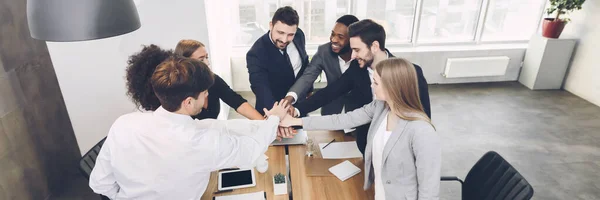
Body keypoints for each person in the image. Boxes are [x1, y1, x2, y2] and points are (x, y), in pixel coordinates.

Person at [89, 47, 291, 199]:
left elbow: (99, 184)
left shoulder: (123, 124)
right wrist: (275, 117)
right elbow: (252, 148)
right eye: (204, 94)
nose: (206, 100)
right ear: (188, 102)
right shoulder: (201, 142)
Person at [280, 58, 441, 200]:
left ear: (392, 87)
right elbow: (343, 119)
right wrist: (297, 121)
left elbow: (429, 192)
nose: (372, 85)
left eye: (376, 82)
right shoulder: (380, 107)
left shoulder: (422, 131)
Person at [289, 19, 431, 155]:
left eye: (357, 49)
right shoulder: (357, 68)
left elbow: (423, 117)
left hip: (399, 151)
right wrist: (296, 111)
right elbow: (331, 93)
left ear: (374, 46)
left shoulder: (411, 73)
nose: (353, 55)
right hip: (366, 144)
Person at [283, 15, 359, 117]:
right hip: (331, 114)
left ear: (353, 39)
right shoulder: (324, 52)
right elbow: (307, 77)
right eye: (332, 34)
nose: (334, 39)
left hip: (358, 115)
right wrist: (289, 98)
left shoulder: (362, 55)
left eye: (340, 37)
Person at [175, 39, 263, 120]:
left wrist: (264, 123)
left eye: (207, 57)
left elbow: (237, 102)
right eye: (201, 60)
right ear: (185, 64)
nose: (207, 63)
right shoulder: (176, 91)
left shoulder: (213, 80)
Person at [246, 6, 309, 115]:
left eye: (290, 35)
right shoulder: (256, 53)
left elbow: (304, 62)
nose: (284, 40)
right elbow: (260, 88)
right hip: (272, 109)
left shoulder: (299, 35)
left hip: (299, 106)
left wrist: (308, 90)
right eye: (280, 32)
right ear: (271, 25)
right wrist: (279, 114)